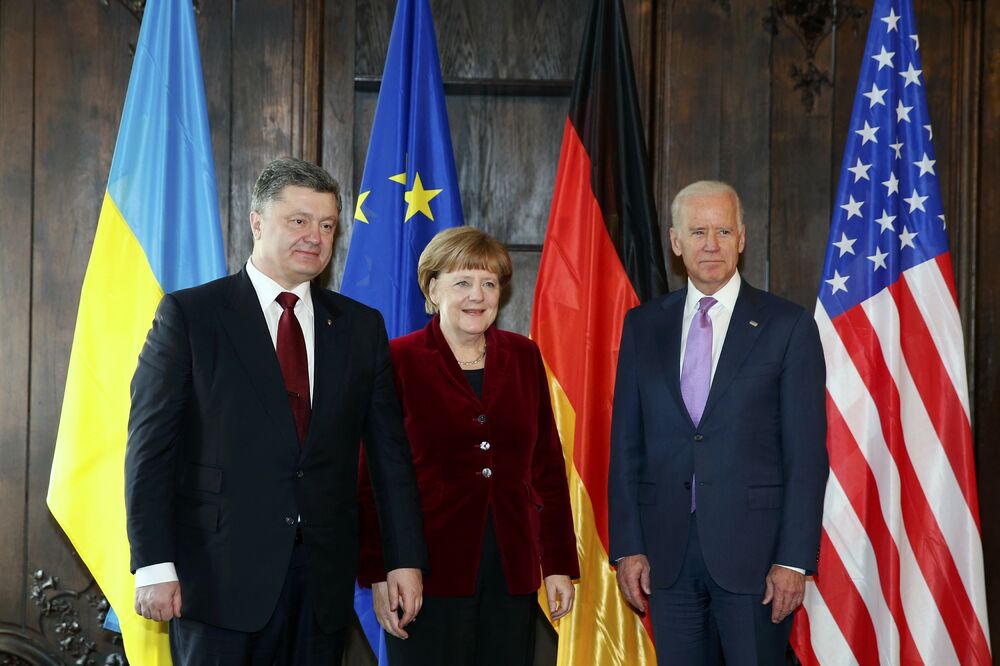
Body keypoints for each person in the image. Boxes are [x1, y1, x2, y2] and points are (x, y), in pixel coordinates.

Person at [125, 157, 427, 665]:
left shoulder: (359, 327)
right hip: (218, 580)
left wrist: (400, 560)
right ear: (257, 222)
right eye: (299, 220)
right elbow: (150, 448)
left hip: (322, 587)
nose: (315, 236)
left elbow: (388, 458)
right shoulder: (191, 315)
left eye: (327, 225)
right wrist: (153, 563)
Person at [608, 181, 829, 664]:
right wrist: (627, 547)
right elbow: (626, 445)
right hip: (665, 557)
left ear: (743, 239)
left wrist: (792, 559)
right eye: (698, 231)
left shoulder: (787, 326)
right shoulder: (643, 326)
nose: (711, 244)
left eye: (724, 230)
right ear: (675, 241)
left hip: (756, 561)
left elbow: (807, 456)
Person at [357, 226, 580, 665]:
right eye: (462, 282)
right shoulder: (397, 360)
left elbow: (547, 469)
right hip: (422, 575)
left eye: (489, 283)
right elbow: (371, 478)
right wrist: (379, 571)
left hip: (511, 574)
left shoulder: (524, 357)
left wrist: (556, 564)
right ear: (433, 288)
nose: (477, 295)